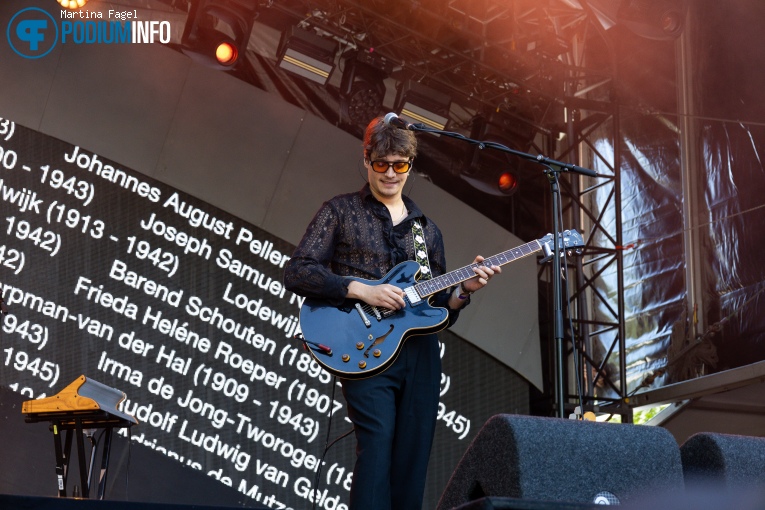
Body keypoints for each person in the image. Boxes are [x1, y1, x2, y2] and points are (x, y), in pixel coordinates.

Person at [283, 115, 500, 510]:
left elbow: (437, 314)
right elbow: (298, 271)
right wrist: (363, 290)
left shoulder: (426, 232)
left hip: (419, 357)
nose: (390, 173)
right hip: (366, 352)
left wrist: (461, 293)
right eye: (381, 163)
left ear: (410, 166)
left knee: (412, 460)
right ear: (366, 160)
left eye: (400, 165)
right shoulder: (341, 211)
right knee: (378, 443)